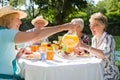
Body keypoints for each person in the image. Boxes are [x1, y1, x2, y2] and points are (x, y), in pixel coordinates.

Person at [0, 6, 78, 80]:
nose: (20, 22)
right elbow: (36, 35)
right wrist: (64, 27)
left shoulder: (3, 33)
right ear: (8, 19)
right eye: (18, 19)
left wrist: (17, 56)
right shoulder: (6, 33)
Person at [77, 12, 119, 80]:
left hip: (108, 73)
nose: (91, 27)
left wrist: (85, 46)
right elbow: (94, 55)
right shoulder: (94, 39)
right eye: (91, 25)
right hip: (96, 70)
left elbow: (104, 55)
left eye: (95, 25)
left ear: (103, 26)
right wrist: (82, 52)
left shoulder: (109, 38)